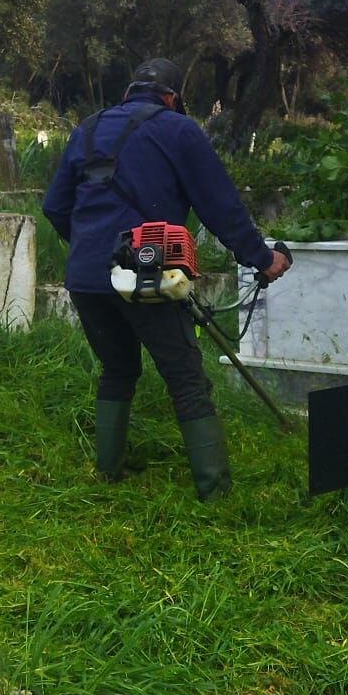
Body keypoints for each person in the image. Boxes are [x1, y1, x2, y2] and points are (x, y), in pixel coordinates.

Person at [42, 58, 292, 501]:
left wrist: (93, 252)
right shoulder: (178, 129)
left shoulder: (88, 129)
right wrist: (261, 258)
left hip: (86, 279)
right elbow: (219, 205)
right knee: (185, 379)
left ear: (127, 93)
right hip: (149, 275)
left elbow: (55, 207)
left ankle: (109, 469)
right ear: (172, 97)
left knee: (117, 368)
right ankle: (215, 491)